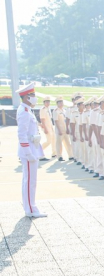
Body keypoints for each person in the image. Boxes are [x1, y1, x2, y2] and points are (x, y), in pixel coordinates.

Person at [16, 83, 47, 218]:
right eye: (33, 95)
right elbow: (21, 135)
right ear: (27, 97)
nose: (35, 98)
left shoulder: (27, 110)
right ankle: (31, 209)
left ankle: (30, 206)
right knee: (30, 181)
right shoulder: (24, 112)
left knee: (29, 180)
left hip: (31, 149)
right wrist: (28, 153)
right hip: (28, 151)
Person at [53, 96, 73, 162]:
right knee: (59, 143)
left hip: (65, 129)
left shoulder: (64, 110)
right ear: (57, 103)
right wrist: (59, 130)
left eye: (62, 102)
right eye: (60, 102)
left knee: (67, 143)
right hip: (60, 130)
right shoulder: (56, 111)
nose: (61, 103)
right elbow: (56, 121)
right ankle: (59, 156)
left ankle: (70, 155)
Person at [39, 95, 54, 160]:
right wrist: (45, 128)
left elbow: (49, 119)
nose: (48, 103)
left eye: (48, 101)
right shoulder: (43, 109)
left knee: (53, 140)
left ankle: (54, 153)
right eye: (46, 102)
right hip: (46, 127)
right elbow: (42, 120)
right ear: (44, 102)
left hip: (50, 127)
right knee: (48, 141)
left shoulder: (48, 109)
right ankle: (38, 151)